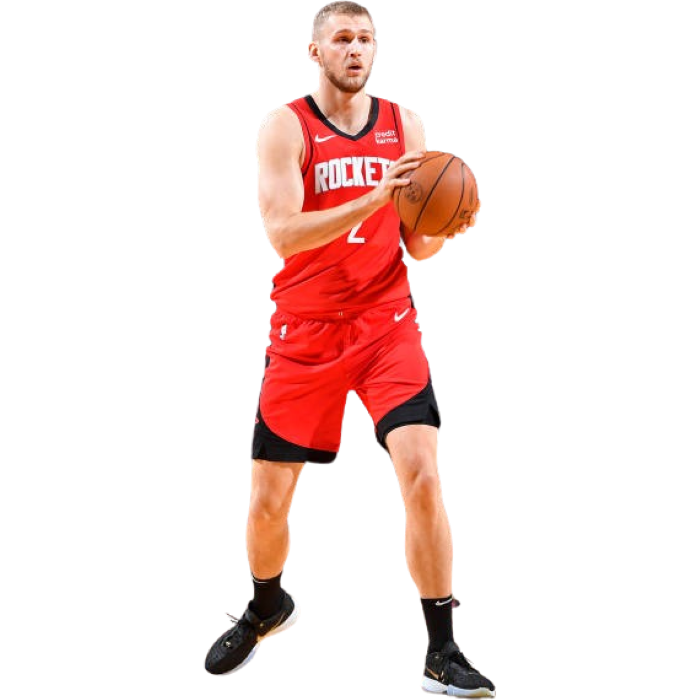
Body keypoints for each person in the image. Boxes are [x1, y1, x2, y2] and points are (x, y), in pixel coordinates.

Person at [204, 2, 494, 697]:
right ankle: (267, 608)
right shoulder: (284, 126)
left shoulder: (406, 124)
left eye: (365, 39)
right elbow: (282, 234)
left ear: (377, 49)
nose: (354, 49)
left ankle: (442, 650)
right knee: (269, 501)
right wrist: (373, 198)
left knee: (423, 475)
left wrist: (444, 224)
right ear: (315, 51)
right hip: (305, 332)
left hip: (387, 326)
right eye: (341, 39)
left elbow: (415, 245)